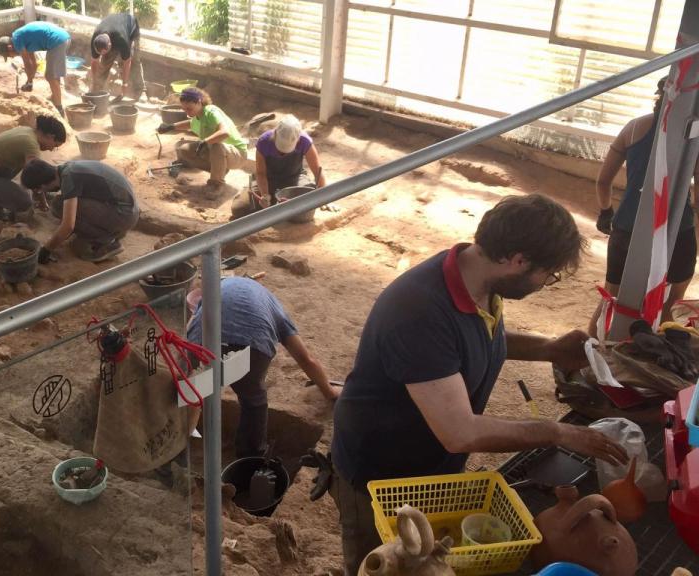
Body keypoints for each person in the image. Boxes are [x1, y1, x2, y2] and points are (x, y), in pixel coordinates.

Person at [330, 194, 629, 574]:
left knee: (426, 558)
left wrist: (549, 349)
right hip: (380, 472)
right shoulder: (418, 310)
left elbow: (474, 339)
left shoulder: (477, 281)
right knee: (385, 564)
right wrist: (556, 432)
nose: (545, 283)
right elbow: (460, 432)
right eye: (547, 275)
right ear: (518, 260)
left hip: (429, 463)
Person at [591, 78, 699, 336]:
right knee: (671, 297)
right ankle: (660, 328)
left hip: (628, 225)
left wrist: (606, 212)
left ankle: (585, 353)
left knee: (611, 300)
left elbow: (603, 181)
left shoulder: (634, 128)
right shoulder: (694, 137)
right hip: (676, 228)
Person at [186, 277, 338, 458]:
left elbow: (193, 323)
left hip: (201, 339)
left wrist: (186, 365)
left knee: (188, 389)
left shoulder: (217, 287)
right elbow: (306, 359)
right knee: (253, 401)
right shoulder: (273, 305)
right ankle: (249, 458)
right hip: (251, 344)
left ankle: (177, 436)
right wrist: (329, 391)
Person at [20, 159, 139, 263]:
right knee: (58, 205)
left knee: (61, 207)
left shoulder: (70, 178)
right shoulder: (65, 169)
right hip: (124, 208)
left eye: (40, 190)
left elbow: (68, 226)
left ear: (42, 185)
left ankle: (108, 242)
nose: (43, 192)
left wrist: (46, 250)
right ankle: (114, 230)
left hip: (125, 214)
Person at [0, 116, 66, 222]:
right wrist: (43, 203)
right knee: (25, 201)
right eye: (55, 145)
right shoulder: (31, 144)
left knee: (30, 170)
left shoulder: (28, 131)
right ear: (50, 136)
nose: (52, 149)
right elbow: (36, 178)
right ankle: (7, 216)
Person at [232, 114, 327, 219]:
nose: (283, 153)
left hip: (294, 179)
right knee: (239, 209)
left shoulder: (305, 141)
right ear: (275, 134)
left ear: (298, 139)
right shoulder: (264, 142)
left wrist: (324, 197)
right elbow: (261, 173)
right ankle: (273, 201)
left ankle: (279, 203)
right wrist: (265, 195)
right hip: (269, 180)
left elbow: (317, 171)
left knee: (302, 212)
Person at [157, 87, 248, 193]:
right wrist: (171, 126)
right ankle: (220, 170)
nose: (187, 112)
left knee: (215, 145)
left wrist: (205, 141)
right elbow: (190, 124)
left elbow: (225, 133)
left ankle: (216, 185)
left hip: (238, 155)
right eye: (184, 109)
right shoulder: (198, 116)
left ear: (199, 102)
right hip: (223, 153)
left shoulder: (211, 111)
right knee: (184, 150)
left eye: (189, 109)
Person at [0, 20, 71, 116]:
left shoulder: (17, 41)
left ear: (10, 47)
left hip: (57, 42)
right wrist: (30, 82)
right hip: (62, 38)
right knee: (52, 75)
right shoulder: (21, 38)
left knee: (50, 76)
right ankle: (55, 98)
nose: (12, 57)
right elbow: (34, 64)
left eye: (8, 55)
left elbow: (27, 64)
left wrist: (29, 82)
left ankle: (59, 109)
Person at [90, 13, 144, 101]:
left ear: (110, 45)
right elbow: (94, 61)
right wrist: (94, 81)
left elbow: (127, 62)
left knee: (134, 61)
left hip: (131, 26)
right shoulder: (96, 39)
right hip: (114, 25)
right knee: (104, 63)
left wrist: (124, 84)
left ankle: (140, 91)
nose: (102, 54)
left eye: (105, 52)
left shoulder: (121, 40)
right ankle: (98, 90)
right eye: (101, 53)